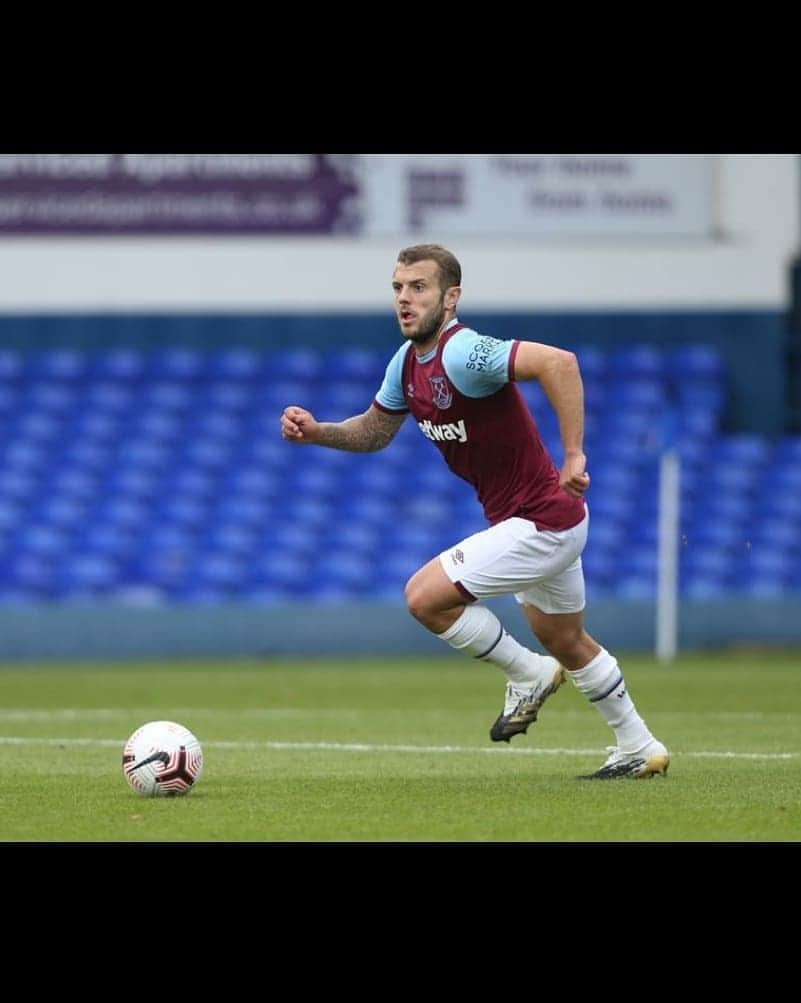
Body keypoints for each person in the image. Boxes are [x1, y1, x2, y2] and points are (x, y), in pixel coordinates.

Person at [280, 243, 669, 780]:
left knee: (424, 598)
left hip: (541, 521)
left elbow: (560, 362)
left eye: (418, 287)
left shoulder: (463, 353)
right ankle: (639, 746)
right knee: (567, 640)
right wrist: (318, 432)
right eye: (397, 287)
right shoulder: (406, 364)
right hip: (542, 520)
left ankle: (530, 674)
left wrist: (575, 454)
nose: (404, 299)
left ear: (451, 297)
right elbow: (374, 431)